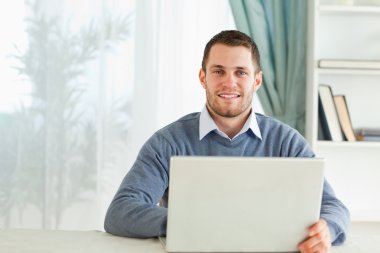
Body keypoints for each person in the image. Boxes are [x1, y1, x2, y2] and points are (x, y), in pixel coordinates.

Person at [104, 30, 349, 253]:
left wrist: (327, 228)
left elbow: (333, 206)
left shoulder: (286, 141)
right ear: (203, 77)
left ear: (257, 81)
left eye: (241, 72)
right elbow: (120, 212)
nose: (229, 82)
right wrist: (185, 222)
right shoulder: (168, 142)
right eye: (218, 71)